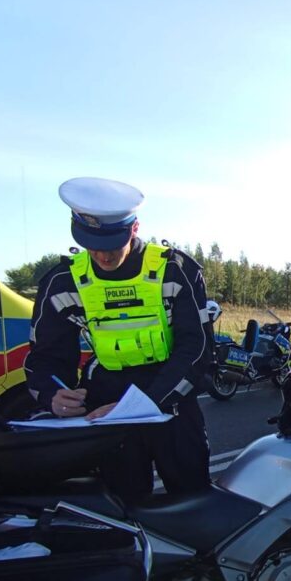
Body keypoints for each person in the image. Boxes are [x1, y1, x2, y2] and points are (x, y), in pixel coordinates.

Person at [24, 177, 212, 503]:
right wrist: (53, 395)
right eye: (91, 244)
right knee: (120, 507)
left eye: (112, 244)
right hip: (106, 403)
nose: (103, 256)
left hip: (170, 400)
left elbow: (196, 350)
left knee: (193, 503)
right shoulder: (62, 281)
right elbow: (45, 357)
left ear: (135, 228)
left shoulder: (175, 269)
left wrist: (140, 405)